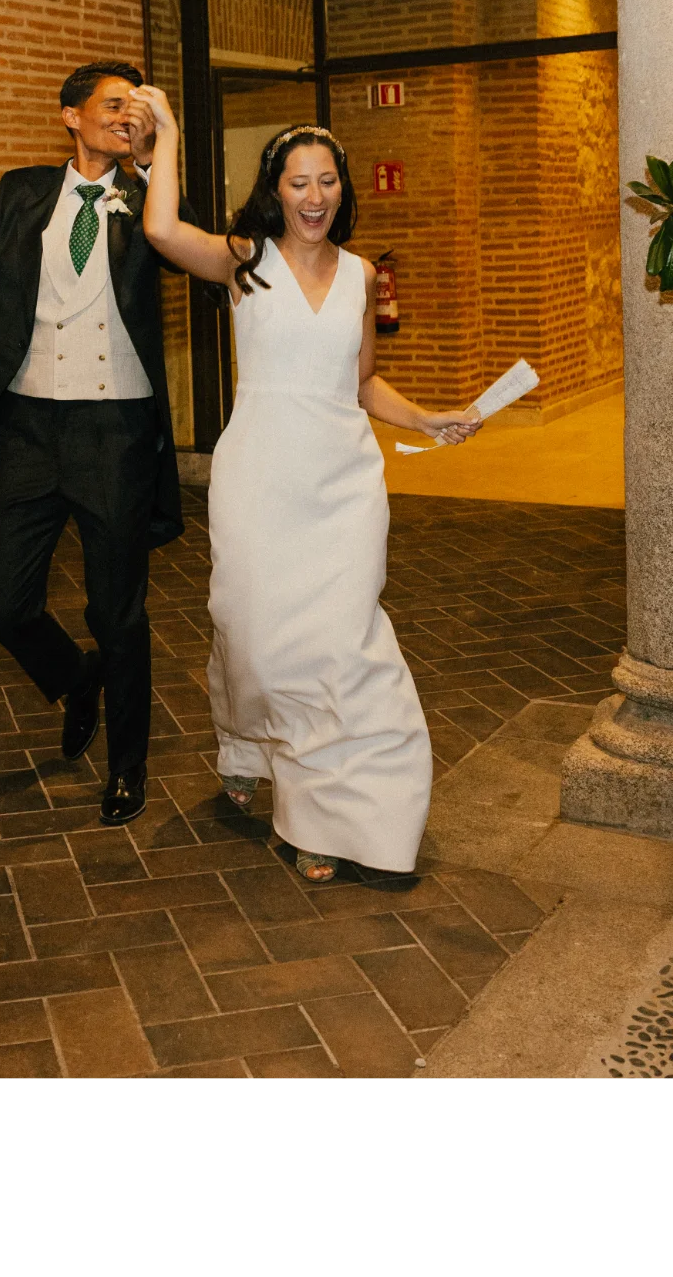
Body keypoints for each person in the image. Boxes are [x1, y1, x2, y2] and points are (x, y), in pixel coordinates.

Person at [129, 88, 480, 887]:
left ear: (341, 189)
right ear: (275, 190)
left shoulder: (362, 274)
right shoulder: (244, 261)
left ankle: (328, 816)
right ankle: (245, 742)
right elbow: (160, 230)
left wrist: (426, 419)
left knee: (340, 649)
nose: (314, 197)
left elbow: (362, 382)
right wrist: (171, 132)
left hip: (343, 485)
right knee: (255, 637)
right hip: (259, 477)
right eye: (299, 182)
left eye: (327, 181)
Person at [0, 62, 194, 828]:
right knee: (4, 606)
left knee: (117, 613)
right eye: (112, 104)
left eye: (137, 107)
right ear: (71, 115)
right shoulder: (22, 193)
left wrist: (155, 159)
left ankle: (127, 767)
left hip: (115, 433)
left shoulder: (150, 198)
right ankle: (76, 676)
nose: (125, 116)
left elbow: (185, 248)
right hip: (28, 430)